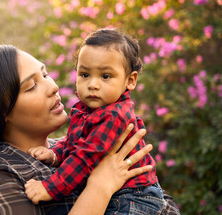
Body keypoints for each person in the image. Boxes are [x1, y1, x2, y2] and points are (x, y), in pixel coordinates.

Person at [0, 44, 180, 214]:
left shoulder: (81, 144)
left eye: (45, 75)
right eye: (32, 86)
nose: (53, 87)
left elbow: (161, 204)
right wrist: (101, 186)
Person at [25, 28, 166, 214]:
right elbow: (73, 143)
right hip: (116, 193)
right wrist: (54, 155)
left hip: (134, 197)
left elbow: (84, 157)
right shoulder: (86, 110)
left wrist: (50, 188)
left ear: (130, 80)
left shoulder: (114, 115)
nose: (92, 84)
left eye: (105, 76)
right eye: (84, 75)